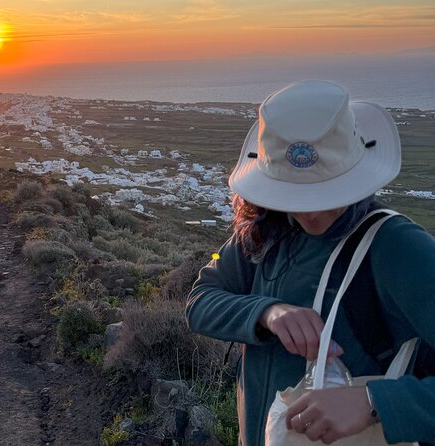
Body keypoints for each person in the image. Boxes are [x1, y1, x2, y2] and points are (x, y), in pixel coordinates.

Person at [185, 80, 435, 445]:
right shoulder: (264, 230)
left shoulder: (397, 246)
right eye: (297, 195)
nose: (313, 213)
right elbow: (200, 301)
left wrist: (374, 402)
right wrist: (268, 313)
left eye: (327, 191)